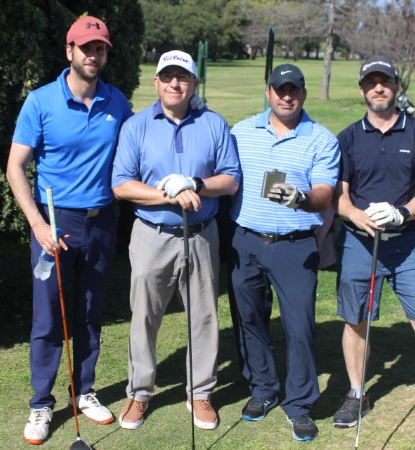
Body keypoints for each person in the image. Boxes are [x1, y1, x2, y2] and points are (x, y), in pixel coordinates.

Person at [6, 16, 133, 445]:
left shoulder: (116, 101)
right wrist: (38, 224)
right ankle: (42, 403)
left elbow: (138, 146)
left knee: (90, 312)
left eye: (100, 49)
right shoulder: (41, 101)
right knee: (49, 316)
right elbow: (15, 167)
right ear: (69, 51)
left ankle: (84, 390)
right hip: (55, 223)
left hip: (103, 221)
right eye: (86, 48)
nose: (93, 55)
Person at [332, 55, 415, 450]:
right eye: (371, 82)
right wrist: (357, 216)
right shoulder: (348, 137)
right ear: (362, 89)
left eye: (385, 81)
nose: (379, 88)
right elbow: (339, 197)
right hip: (360, 244)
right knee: (356, 322)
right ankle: (357, 393)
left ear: (396, 86)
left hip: (407, 246)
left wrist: (401, 212)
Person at [111, 50, 240, 431]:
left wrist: (196, 184)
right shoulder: (136, 126)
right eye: (167, 76)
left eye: (182, 77)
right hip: (151, 235)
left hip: (201, 235)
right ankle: (139, 392)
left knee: (204, 316)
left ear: (194, 83)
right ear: (156, 82)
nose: (174, 83)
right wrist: (170, 194)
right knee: (144, 316)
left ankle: (200, 392)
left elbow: (231, 179)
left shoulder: (214, 124)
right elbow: (121, 185)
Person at [228, 63, 340, 442]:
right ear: (268, 93)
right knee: (249, 320)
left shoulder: (321, 139)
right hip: (246, 241)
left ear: (303, 94)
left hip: (295, 246)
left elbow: (325, 193)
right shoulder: (241, 131)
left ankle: (300, 404)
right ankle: (263, 389)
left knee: (300, 326)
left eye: (294, 90)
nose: (287, 96)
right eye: (280, 90)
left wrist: (301, 199)